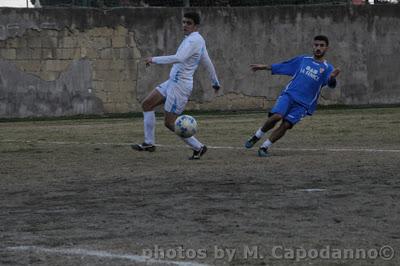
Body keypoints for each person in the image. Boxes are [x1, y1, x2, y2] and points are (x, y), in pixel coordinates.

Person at [131, 12, 220, 160]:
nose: (185, 25)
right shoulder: (195, 39)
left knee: (170, 123)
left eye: (188, 23)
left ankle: (199, 147)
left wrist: (154, 59)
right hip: (172, 81)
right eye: (184, 22)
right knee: (147, 104)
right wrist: (215, 82)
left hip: (180, 86)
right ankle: (149, 143)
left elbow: (179, 58)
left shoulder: (194, 41)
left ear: (196, 26)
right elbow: (207, 61)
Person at [245, 35, 341, 157]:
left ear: (326, 48)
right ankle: (256, 136)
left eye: (321, 45)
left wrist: (332, 77)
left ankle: (264, 147)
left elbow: (331, 84)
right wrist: (264, 67)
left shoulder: (328, 68)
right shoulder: (303, 60)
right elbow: (284, 65)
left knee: (286, 125)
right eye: (316, 45)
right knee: (276, 116)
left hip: (304, 104)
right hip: (289, 95)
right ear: (313, 46)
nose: (318, 48)